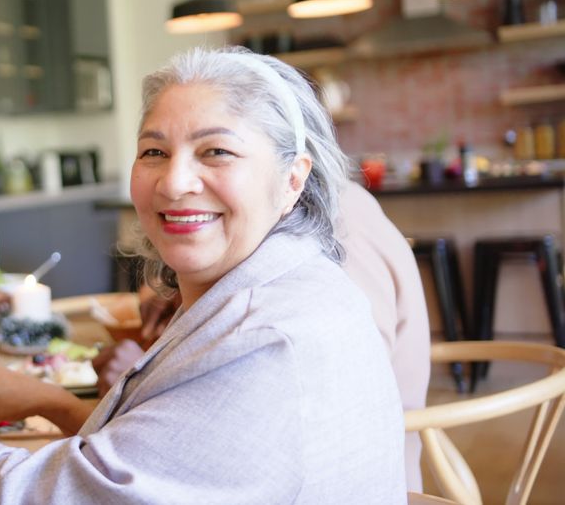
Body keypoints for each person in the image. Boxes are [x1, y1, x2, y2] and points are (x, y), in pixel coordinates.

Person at [0, 46, 407, 503]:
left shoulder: (265, 340)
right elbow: (173, 464)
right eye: (154, 152)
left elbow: (65, 498)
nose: (175, 182)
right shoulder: (288, 285)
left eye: (216, 151)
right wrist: (50, 400)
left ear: (292, 179)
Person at [94, 178, 432, 490]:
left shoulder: (327, 241)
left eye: (218, 151)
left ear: (294, 168)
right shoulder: (338, 201)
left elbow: (329, 390)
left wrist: (145, 382)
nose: (179, 182)